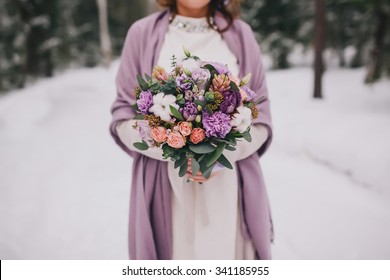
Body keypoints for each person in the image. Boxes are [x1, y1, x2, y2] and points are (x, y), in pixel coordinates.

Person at [109, 0, 275, 260]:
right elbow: (123, 115)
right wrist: (172, 146)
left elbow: (261, 117)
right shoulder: (141, 34)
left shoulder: (241, 34)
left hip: (228, 188)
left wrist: (220, 156)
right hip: (165, 185)